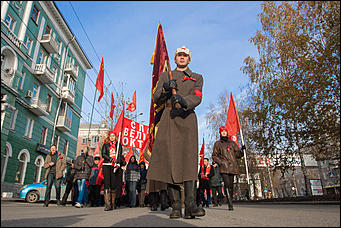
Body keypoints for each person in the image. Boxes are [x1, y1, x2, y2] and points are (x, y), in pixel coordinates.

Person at [147, 46, 205, 219]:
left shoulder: (197, 77)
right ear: (175, 58)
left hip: (187, 119)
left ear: (189, 59)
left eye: (185, 55)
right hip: (169, 119)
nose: (182, 57)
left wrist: (183, 100)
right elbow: (156, 97)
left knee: (188, 161)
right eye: (179, 55)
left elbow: (198, 97)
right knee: (169, 162)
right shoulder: (166, 75)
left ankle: (190, 206)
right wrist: (166, 88)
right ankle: (175, 207)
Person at [212, 126, 245, 211]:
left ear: (227, 133)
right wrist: (221, 162)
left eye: (225, 132)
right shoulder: (217, 144)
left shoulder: (232, 143)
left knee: (231, 185)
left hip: (232, 166)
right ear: (220, 133)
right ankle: (230, 203)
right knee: (226, 184)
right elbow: (214, 156)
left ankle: (230, 199)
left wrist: (242, 151)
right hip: (224, 167)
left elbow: (237, 155)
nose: (224, 133)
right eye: (222, 132)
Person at [101, 130, 126, 211]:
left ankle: (113, 203)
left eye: (113, 136)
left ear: (115, 137)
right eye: (110, 136)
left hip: (114, 166)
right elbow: (103, 154)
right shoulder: (105, 145)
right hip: (107, 165)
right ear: (109, 137)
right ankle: (107, 204)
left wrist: (118, 163)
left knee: (113, 184)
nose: (112, 137)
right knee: (107, 184)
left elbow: (119, 155)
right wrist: (111, 159)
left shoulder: (118, 145)